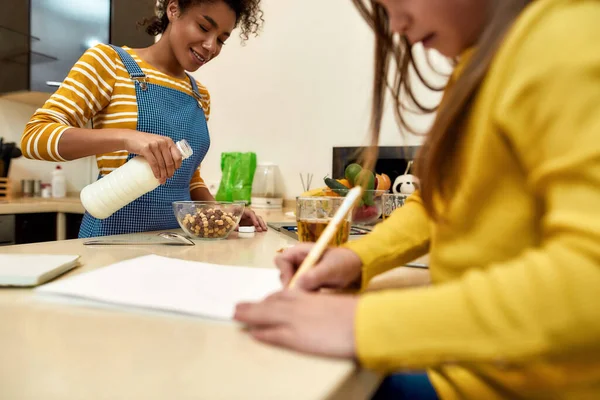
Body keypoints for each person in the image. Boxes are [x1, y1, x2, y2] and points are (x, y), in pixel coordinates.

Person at [234, 0, 600, 398]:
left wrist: (361, 324)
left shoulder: (567, 38)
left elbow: (588, 277)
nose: (396, 25)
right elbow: (439, 200)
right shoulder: (478, 63)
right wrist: (358, 258)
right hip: (471, 372)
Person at [21, 0, 267, 238]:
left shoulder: (199, 95)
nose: (211, 46)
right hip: (109, 243)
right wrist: (127, 138)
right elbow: (34, 138)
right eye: (203, 27)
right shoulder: (109, 63)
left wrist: (222, 212)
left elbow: (189, 179)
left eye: (222, 39)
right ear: (173, 9)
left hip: (174, 244)